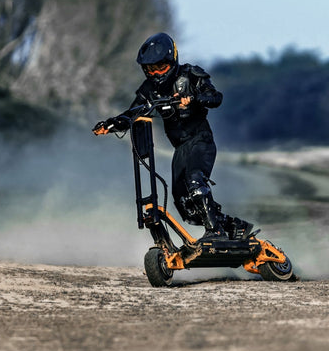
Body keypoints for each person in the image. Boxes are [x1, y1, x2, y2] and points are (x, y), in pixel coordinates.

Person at [94, 32, 253, 240]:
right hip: (180, 149)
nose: (157, 73)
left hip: (200, 140)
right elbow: (134, 112)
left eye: (161, 67)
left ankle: (215, 233)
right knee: (185, 206)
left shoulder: (190, 75)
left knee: (196, 182)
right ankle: (234, 227)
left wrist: (194, 99)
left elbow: (216, 98)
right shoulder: (149, 90)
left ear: (173, 60)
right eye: (151, 69)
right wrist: (112, 124)